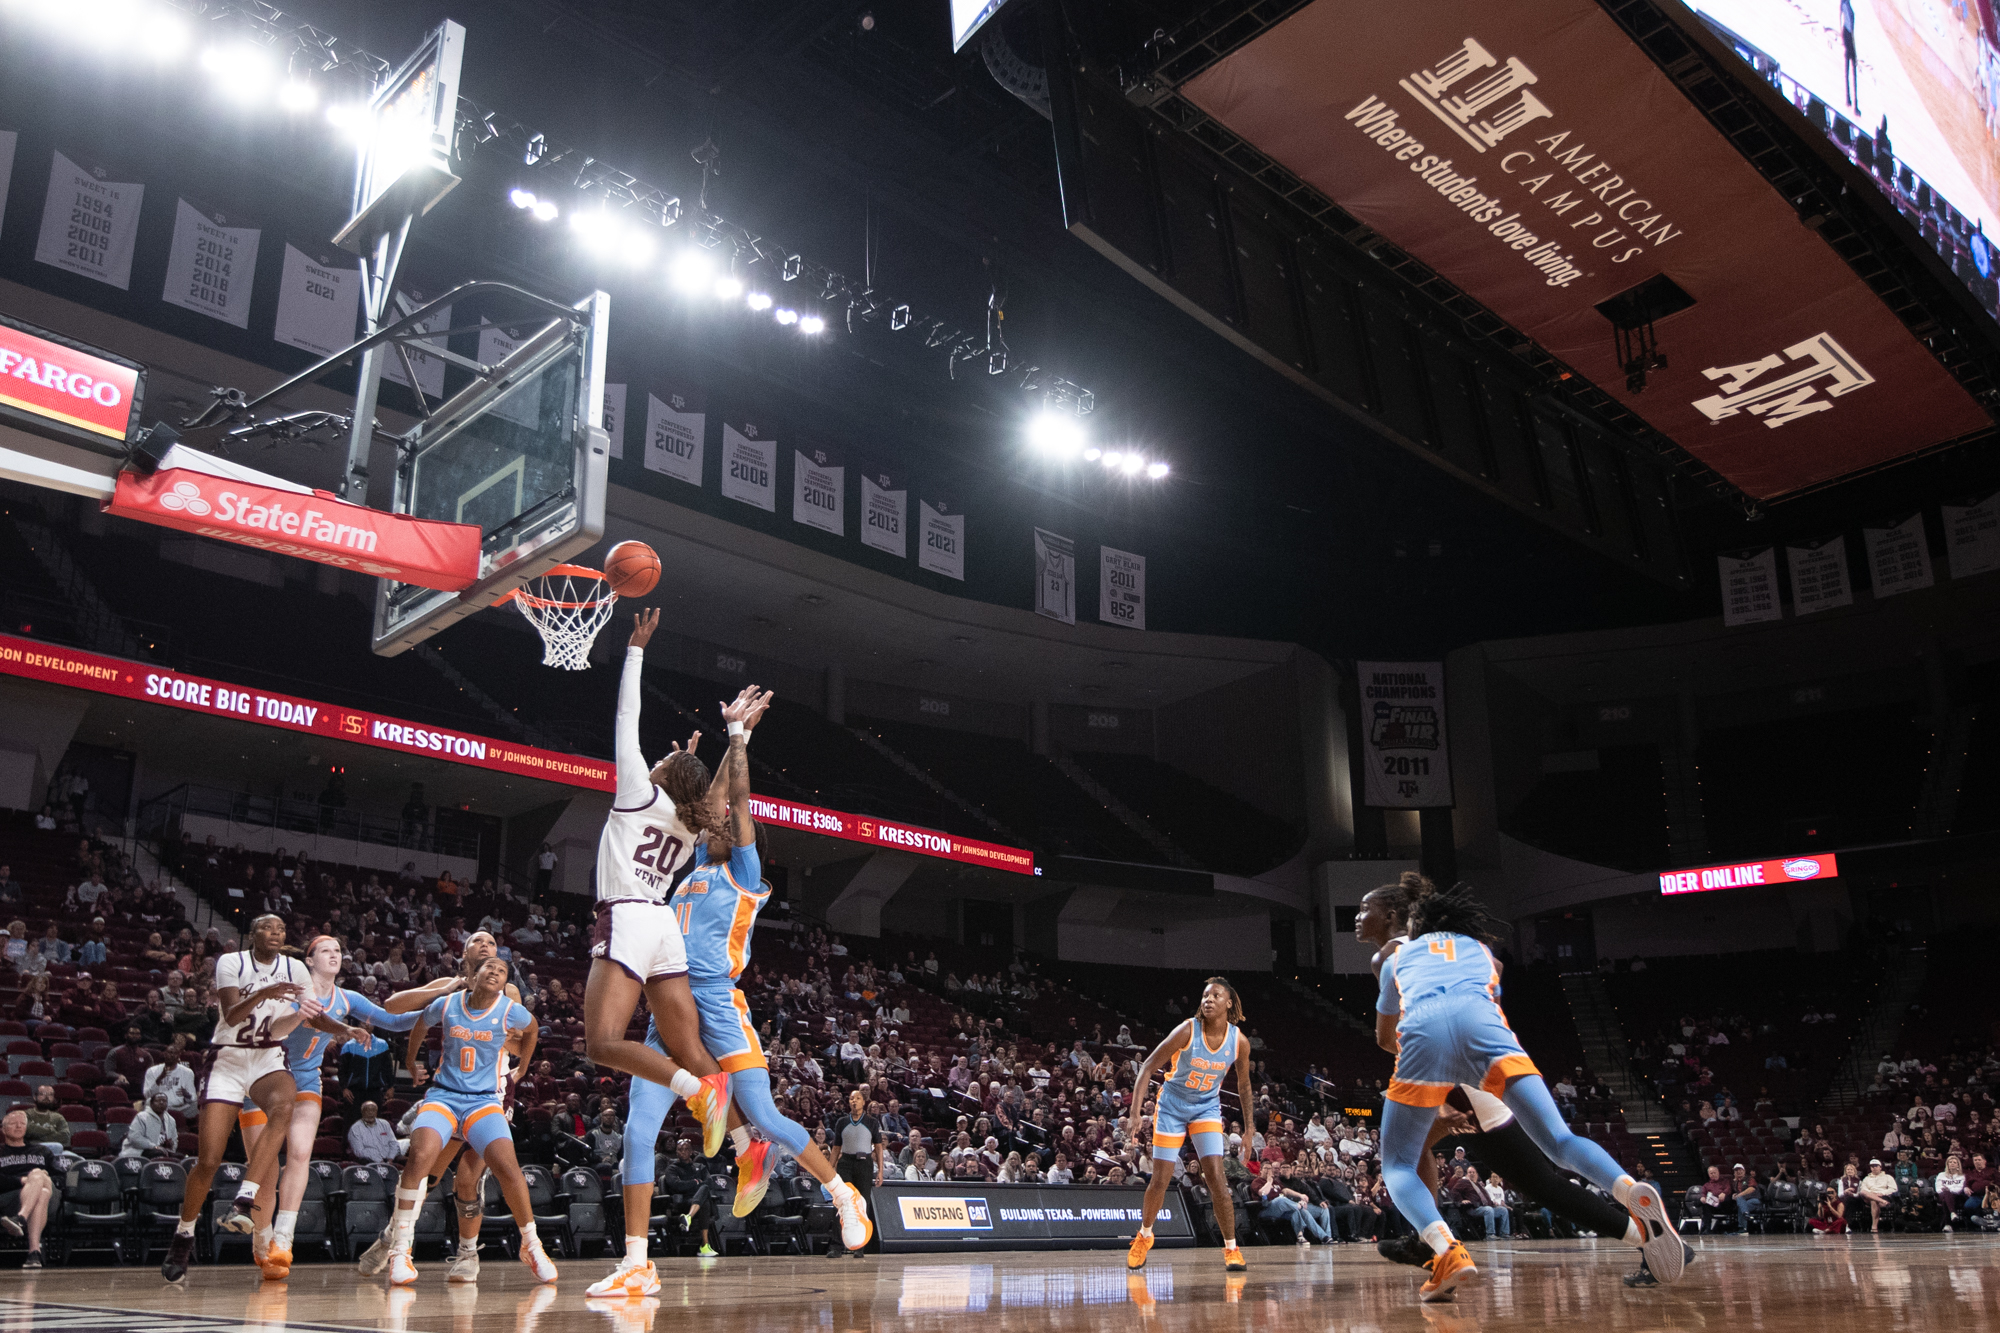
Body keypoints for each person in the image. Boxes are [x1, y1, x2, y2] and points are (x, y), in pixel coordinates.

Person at [1356, 875, 1683, 1285]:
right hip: (1488, 1045)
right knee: (1550, 1151)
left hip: (1451, 1074)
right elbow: (1492, 980)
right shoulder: (1469, 947)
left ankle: (1435, 1242)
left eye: (1363, 909)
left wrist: (1444, 1097)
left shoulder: (1391, 955)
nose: (1356, 917)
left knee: (1533, 1181)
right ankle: (1426, 1241)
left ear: (1392, 915)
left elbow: (1397, 1035)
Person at [580, 610, 746, 1153]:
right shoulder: (688, 820)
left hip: (627, 916)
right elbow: (703, 799)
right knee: (688, 1044)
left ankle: (697, 1094)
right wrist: (709, 753)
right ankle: (747, 1144)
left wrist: (635, 649)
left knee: (601, 1043)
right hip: (662, 924)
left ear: (664, 774)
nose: (655, 756)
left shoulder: (635, 791)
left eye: (664, 758)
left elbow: (627, 714)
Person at [161, 915, 361, 1282]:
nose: (276, 933)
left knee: (286, 1104)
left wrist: (343, 1028)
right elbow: (232, 1014)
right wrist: (265, 993)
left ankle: (245, 1199)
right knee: (208, 1161)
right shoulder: (231, 962)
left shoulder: (296, 968)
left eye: (282, 929)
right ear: (252, 935)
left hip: (268, 1057)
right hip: (229, 1058)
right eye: (268, 928)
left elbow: (313, 1017)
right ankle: (184, 1234)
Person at [237, 934, 442, 1280]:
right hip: (261, 1081)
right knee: (266, 1169)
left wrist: (439, 1007)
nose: (335, 954)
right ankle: (262, 1238)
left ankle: (283, 1240)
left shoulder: (347, 998)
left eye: (338, 950)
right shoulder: (288, 991)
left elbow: (392, 1021)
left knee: (301, 1154)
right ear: (310, 960)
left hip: (304, 1081)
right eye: (326, 950)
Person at [382, 957, 555, 1285]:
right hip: (444, 1096)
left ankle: (531, 1245)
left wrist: (524, 1065)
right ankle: (399, 1249)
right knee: (421, 1159)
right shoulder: (447, 1004)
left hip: (484, 1101)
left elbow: (531, 1029)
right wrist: (409, 1059)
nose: (494, 971)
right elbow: (420, 1023)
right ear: (472, 976)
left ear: (505, 984)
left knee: (506, 1167)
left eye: (501, 970)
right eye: (488, 967)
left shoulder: (509, 1010)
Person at [1126, 977, 1254, 1273]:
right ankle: (1145, 1235)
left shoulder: (1239, 1041)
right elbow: (1147, 1067)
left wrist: (1249, 1131)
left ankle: (1232, 1249)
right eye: (1205, 995)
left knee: (1218, 1180)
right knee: (1161, 1179)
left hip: (1206, 1108)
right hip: (1172, 1106)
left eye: (1215, 995)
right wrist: (1135, 1112)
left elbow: (1245, 1086)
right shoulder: (1187, 1029)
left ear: (1229, 1003)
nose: (1208, 999)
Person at [0, 1106, 57, 1268]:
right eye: (13, 1124)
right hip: (10, 1198)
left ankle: (20, 1218)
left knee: (40, 1175)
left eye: (22, 1123)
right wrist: (24, 1181)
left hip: (51, 1197)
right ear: (3, 1130)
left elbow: (61, 1176)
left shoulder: (42, 1151)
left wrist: (40, 1178)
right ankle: (34, 1253)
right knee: (42, 1193)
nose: (18, 1126)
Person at [144, 1045, 199, 1116]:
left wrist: (187, 1095)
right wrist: (159, 1079)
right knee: (148, 1103)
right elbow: (147, 1095)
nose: (172, 1055)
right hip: (159, 1108)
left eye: (175, 1053)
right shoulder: (152, 1071)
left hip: (181, 1108)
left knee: (195, 1105)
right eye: (169, 1052)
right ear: (165, 1054)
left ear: (179, 1056)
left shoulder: (187, 1072)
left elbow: (193, 1097)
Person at [122, 1092, 180, 1160]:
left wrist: (171, 1146)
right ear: (151, 1104)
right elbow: (134, 1138)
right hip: (142, 1150)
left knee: (179, 1157)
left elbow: (174, 1139)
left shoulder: (171, 1120)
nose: (161, 1102)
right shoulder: (142, 1117)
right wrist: (154, 1146)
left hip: (162, 1151)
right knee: (158, 1154)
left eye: (164, 1101)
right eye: (157, 1100)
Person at [1857, 1159, 1900, 1232]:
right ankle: (1880, 1201)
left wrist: (1882, 1193)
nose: (1874, 1168)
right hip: (1870, 1197)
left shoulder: (1888, 1177)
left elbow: (1893, 1189)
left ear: (1880, 1167)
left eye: (1876, 1166)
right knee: (1863, 1192)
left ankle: (1874, 1226)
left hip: (1883, 1196)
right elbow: (1863, 1189)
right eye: (1872, 1166)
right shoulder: (1866, 1178)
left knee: (1874, 1201)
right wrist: (1872, 1193)